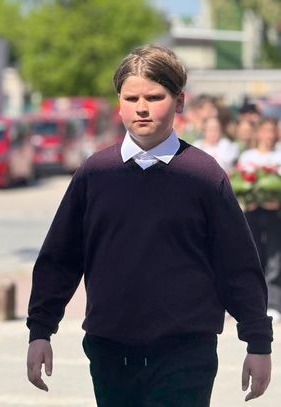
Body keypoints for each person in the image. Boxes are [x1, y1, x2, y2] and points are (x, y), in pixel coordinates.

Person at [26, 44, 273, 407]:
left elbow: (237, 265)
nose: (141, 107)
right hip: (109, 351)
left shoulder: (204, 176)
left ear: (179, 102)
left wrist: (258, 342)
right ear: (119, 103)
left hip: (186, 352)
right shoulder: (95, 173)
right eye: (131, 98)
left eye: (154, 97)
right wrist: (40, 330)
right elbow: (60, 258)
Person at [238, 117, 281, 323]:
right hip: (252, 211)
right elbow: (239, 182)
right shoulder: (248, 155)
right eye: (265, 131)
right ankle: (253, 301)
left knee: (274, 257)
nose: (269, 135)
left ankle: (274, 303)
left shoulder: (279, 154)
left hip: (275, 212)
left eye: (273, 131)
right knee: (252, 254)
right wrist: (248, 199)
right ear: (258, 133)